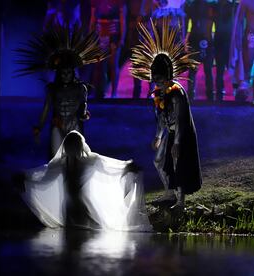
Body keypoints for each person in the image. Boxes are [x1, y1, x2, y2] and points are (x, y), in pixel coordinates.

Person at [130, 18, 202, 208]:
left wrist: (177, 142)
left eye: (161, 80)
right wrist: (158, 137)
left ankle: (180, 201)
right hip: (169, 133)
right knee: (158, 160)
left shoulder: (177, 93)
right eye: (155, 80)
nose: (158, 83)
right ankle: (168, 192)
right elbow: (161, 118)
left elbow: (180, 119)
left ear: (168, 76)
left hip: (182, 134)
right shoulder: (158, 94)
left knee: (179, 164)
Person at [22, 131, 152, 232]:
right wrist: (27, 179)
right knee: (79, 234)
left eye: (73, 146)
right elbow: (44, 177)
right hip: (70, 208)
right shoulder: (62, 164)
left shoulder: (87, 161)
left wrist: (126, 167)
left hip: (80, 205)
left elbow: (109, 167)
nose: (72, 149)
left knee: (84, 233)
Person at [15, 23, 107, 157]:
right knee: (55, 158)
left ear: (73, 73)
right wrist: (39, 127)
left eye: (69, 72)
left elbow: (83, 108)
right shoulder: (52, 89)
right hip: (57, 125)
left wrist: (84, 115)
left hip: (74, 124)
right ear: (58, 73)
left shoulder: (80, 88)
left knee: (76, 158)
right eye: (63, 73)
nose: (66, 75)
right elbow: (46, 110)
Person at [90, 0, 127, 98]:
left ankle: (113, 93)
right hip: (100, 36)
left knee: (113, 65)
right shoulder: (96, 2)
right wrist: (90, 37)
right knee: (98, 66)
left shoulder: (119, 2)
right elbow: (93, 19)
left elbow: (123, 20)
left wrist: (122, 38)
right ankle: (98, 91)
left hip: (113, 36)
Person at [184, 0, 217, 101]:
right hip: (196, 39)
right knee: (196, 70)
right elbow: (185, 22)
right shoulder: (192, 5)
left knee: (206, 69)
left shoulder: (210, 6)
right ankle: (192, 92)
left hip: (205, 39)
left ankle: (209, 92)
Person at [214, 0, 238, 102]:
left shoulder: (231, 6)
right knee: (227, 67)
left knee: (226, 67)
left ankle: (224, 91)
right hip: (224, 40)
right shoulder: (230, 6)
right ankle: (233, 90)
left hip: (226, 40)